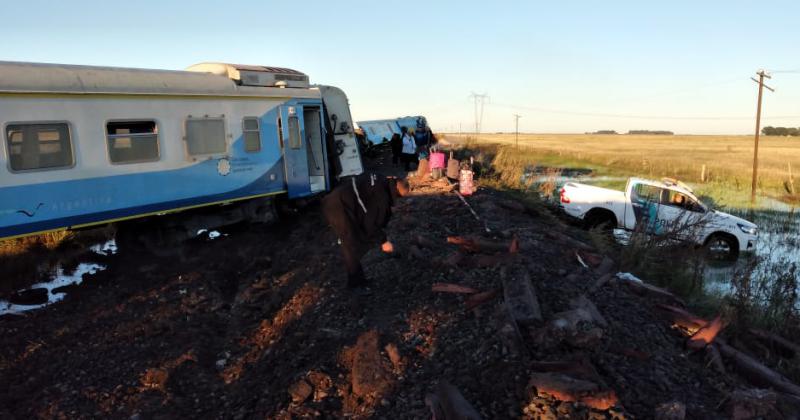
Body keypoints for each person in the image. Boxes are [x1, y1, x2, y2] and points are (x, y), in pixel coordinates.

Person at [321, 173, 410, 289]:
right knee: (349, 242)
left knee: (351, 242)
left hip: (338, 198)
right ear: (396, 191)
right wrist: (383, 241)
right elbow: (371, 220)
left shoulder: (382, 179)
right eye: (399, 197)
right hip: (337, 206)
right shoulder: (382, 197)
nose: (397, 200)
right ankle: (354, 283)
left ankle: (358, 279)